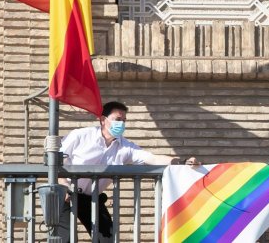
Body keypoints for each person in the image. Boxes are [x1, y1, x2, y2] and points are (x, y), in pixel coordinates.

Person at [58, 101, 199, 242]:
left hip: (92, 198)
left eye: (124, 121)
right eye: (118, 120)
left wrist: (182, 162)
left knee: (108, 239)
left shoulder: (125, 146)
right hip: (65, 195)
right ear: (102, 120)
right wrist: (63, 183)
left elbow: (152, 158)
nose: (122, 124)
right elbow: (57, 157)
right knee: (64, 239)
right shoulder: (80, 136)